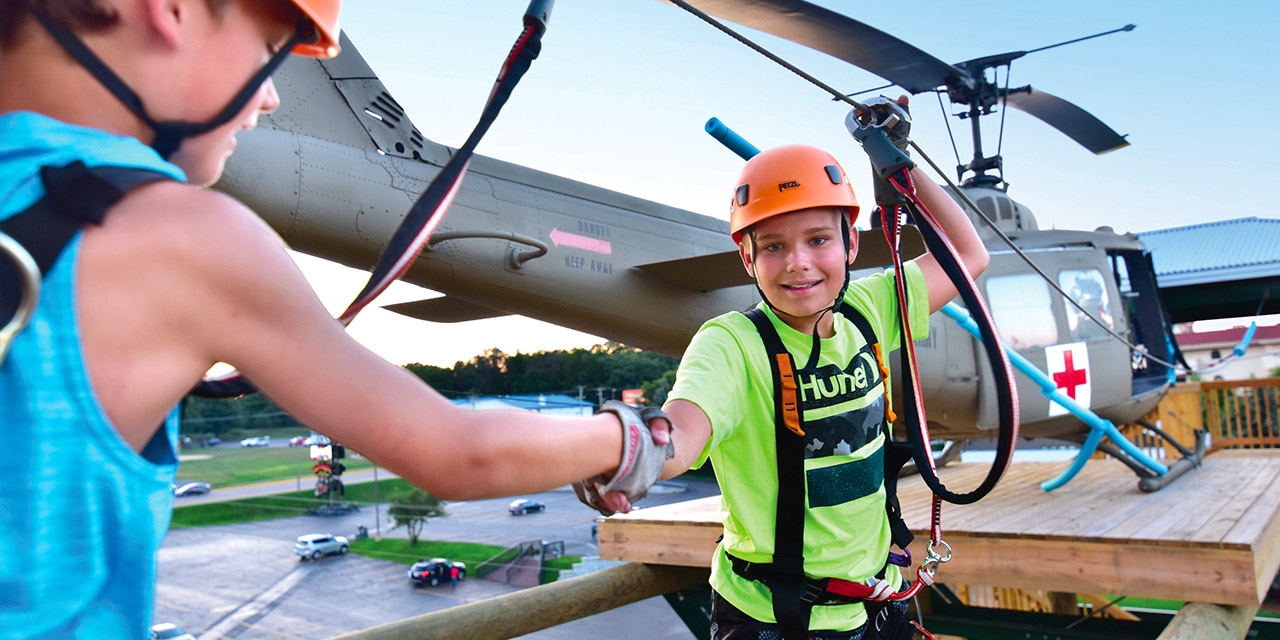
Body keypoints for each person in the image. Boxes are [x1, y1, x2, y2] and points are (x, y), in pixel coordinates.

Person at [0, 1, 670, 637]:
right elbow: (460, 454)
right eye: (270, 49)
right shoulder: (177, 235)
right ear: (166, 8)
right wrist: (637, 440)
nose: (269, 96)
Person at [651, 99, 989, 639]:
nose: (797, 263)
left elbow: (968, 254)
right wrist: (627, 452)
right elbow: (681, 438)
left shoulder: (870, 306)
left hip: (876, 600)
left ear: (852, 242)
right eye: (774, 246)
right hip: (777, 618)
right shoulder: (732, 344)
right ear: (748, 258)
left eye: (818, 240)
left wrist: (897, 162)